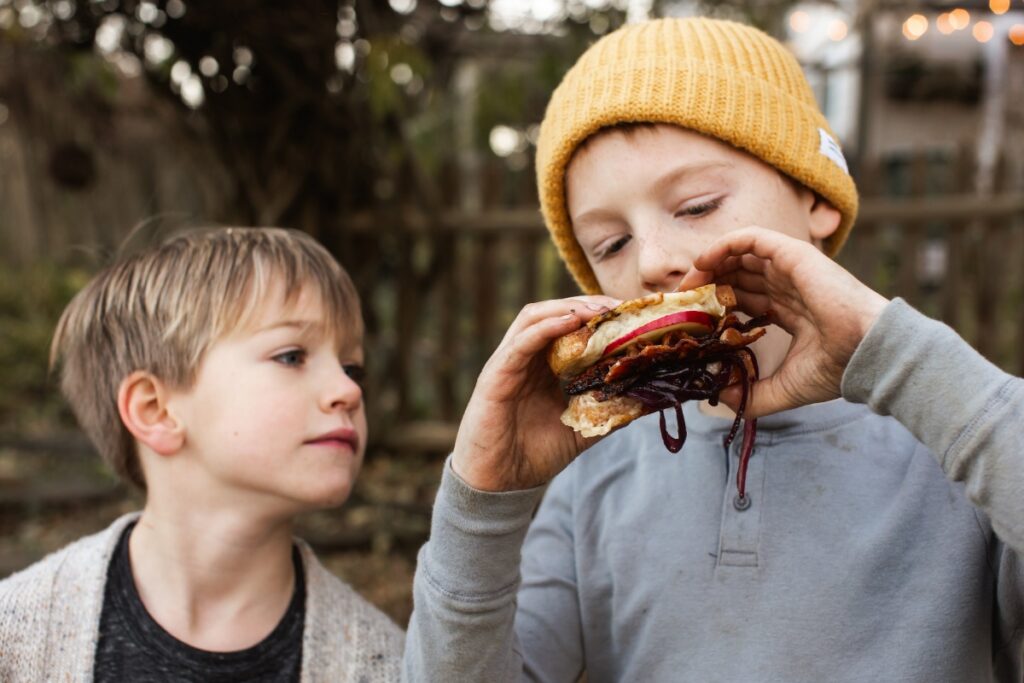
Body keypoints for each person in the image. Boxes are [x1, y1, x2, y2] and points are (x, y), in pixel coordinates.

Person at [404, 16, 1024, 682]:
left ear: (815, 194)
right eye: (610, 245)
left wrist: (901, 359)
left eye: (696, 205)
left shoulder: (962, 441)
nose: (653, 262)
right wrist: (481, 502)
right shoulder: (591, 480)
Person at [0, 228, 403, 682]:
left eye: (352, 368)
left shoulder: (385, 664)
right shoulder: (15, 641)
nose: (348, 390)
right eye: (292, 356)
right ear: (155, 410)